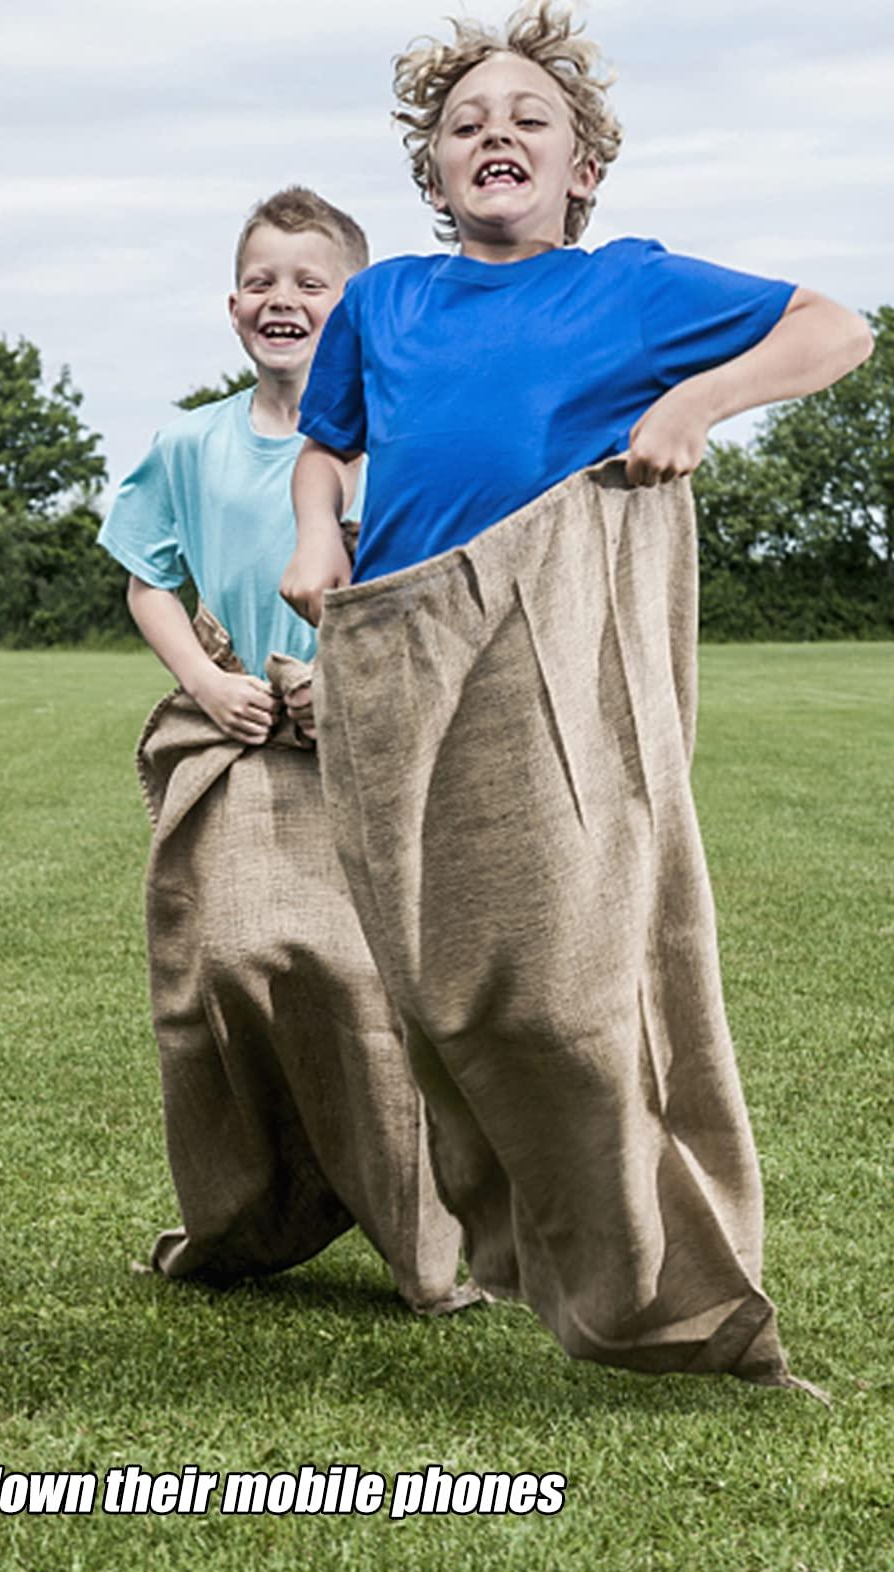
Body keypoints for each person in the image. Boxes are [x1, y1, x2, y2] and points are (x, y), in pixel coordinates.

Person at [280, 2, 871, 1385]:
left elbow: (835, 328)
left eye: (528, 120)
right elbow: (326, 447)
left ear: (583, 166)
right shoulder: (386, 302)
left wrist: (695, 406)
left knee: (566, 996)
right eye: (465, 124)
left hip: (550, 664)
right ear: (432, 175)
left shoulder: (630, 285)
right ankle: (527, 1232)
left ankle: (672, 1297)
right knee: (443, 993)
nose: (496, 135)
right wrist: (318, 534)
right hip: (400, 665)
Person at [98, 188, 475, 1313]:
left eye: (312, 283)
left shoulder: (406, 437)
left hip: (386, 748)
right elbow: (145, 577)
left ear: (354, 306)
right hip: (246, 744)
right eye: (263, 280)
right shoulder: (193, 442)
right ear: (230, 305)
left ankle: (426, 1240)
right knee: (236, 959)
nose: (283, 300)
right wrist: (207, 681)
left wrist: (350, 683)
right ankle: (254, 1206)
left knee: (379, 981)